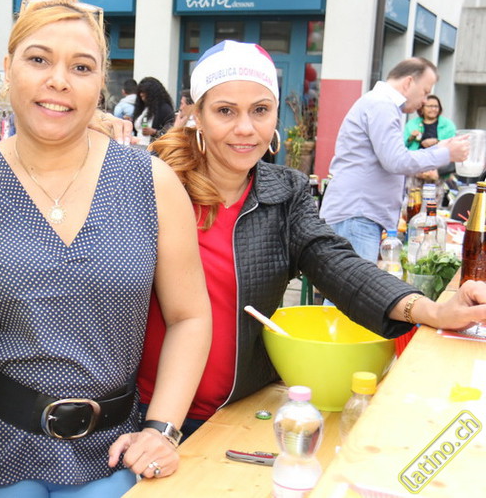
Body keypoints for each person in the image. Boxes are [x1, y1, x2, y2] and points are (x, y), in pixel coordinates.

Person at [138, 39, 486, 438]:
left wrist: (432, 311)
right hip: (145, 413)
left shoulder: (286, 191)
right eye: (225, 111)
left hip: (236, 411)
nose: (245, 128)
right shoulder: (155, 185)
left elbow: (335, 262)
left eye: (260, 110)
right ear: (197, 115)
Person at [0, 0, 211, 497]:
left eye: (81, 67)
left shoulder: (151, 183)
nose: (59, 80)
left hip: (116, 458)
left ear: (100, 82)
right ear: (8, 68)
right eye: (39, 59)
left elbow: (190, 316)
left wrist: (161, 430)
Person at [319, 58, 469, 262]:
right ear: (408, 83)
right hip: (357, 216)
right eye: (425, 92)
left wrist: (441, 149)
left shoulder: (382, 103)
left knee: (350, 282)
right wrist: (445, 153)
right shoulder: (382, 104)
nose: (425, 101)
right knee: (353, 283)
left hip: (358, 215)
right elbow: (396, 160)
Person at [132, 77, 175, 146]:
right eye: (140, 92)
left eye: (144, 92)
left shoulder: (164, 109)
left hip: (152, 147)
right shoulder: (143, 108)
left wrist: (154, 132)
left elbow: (170, 131)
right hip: (138, 145)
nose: (141, 94)